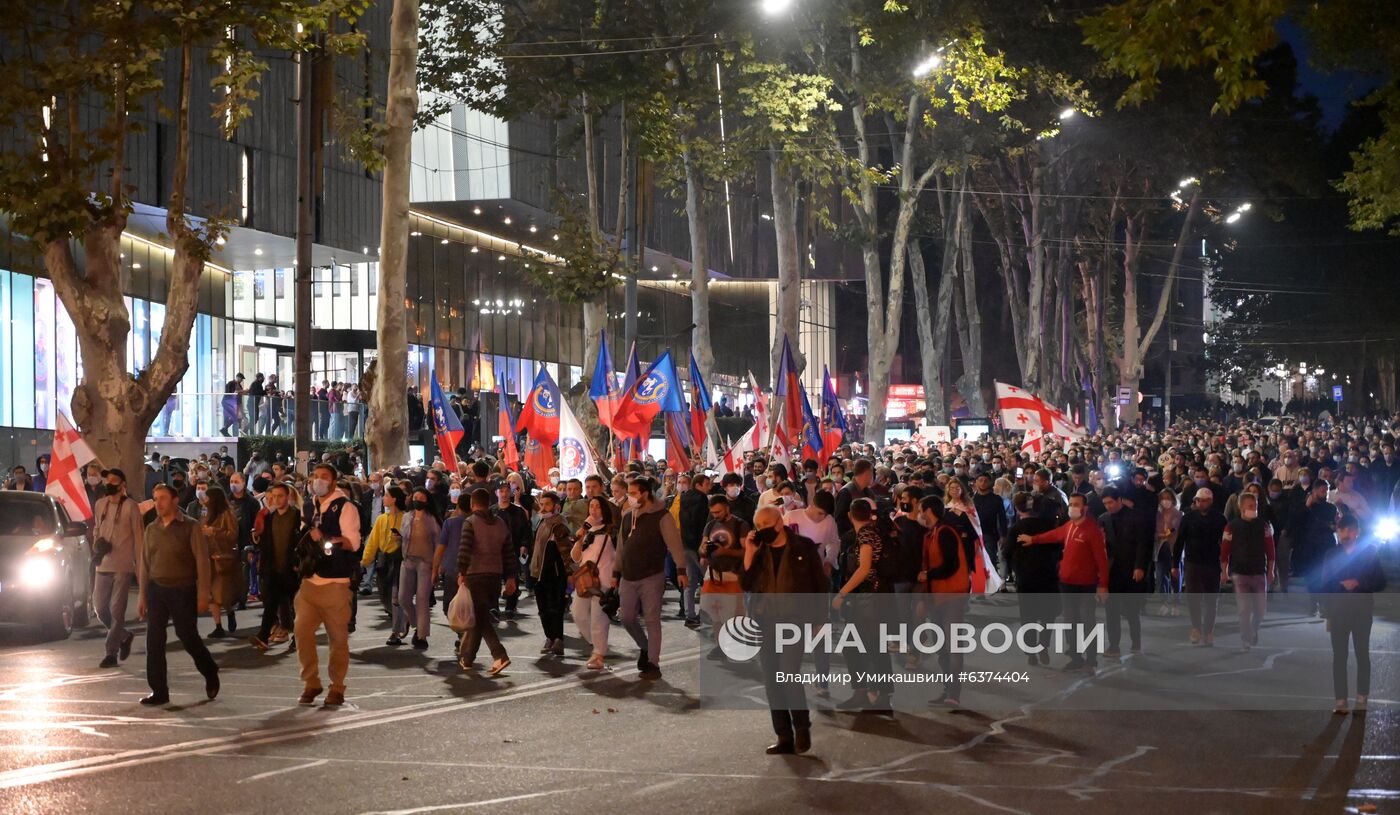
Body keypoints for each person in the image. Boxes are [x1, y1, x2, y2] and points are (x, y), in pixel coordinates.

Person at [742, 505, 828, 755]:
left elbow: (819, 584)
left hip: (795, 620)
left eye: (766, 526)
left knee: (788, 673)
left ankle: (802, 728)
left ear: (779, 523)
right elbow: (746, 583)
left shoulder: (804, 547)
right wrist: (749, 552)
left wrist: (820, 619)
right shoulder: (759, 551)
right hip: (765, 620)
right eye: (758, 527)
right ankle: (783, 735)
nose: (761, 531)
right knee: (771, 679)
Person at [138, 484, 220, 706]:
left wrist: (204, 594)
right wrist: (142, 595)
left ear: (175, 501)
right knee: (154, 641)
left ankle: (210, 670)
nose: (158, 503)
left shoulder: (190, 527)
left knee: (188, 636)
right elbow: (145, 563)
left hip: (182, 590)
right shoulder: (151, 529)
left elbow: (202, 562)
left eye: (163, 498)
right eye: (155, 499)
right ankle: (159, 691)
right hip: (157, 589)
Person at [295, 463, 362, 707]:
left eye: (324, 477)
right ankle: (311, 682)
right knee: (302, 633)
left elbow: (352, 542)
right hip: (310, 582)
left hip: (335, 582)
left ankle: (337, 686)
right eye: (315, 476)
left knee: (338, 639)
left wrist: (324, 539)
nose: (318, 481)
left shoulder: (345, 507)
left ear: (333, 482)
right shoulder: (309, 505)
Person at [1019, 493, 1109, 672]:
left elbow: (1102, 560)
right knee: (1070, 621)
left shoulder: (1092, 530)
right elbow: (1054, 535)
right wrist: (1033, 539)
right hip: (1067, 583)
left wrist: (1103, 585)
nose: (1073, 507)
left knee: (1087, 621)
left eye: (1076, 504)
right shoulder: (1070, 526)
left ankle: (1091, 660)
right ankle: (1075, 657)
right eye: (1071, 504)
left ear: (1085, 508)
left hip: (1086, 585)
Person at [613, 476, 688, 679]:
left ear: (645, 494)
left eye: (633, 493)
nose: (630, 496)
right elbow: (621, 548)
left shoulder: (662, 516)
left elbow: (675, 545)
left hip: (652, 576)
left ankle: (653, 663)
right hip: (628, 577)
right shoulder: (628, 516)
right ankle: (645, 647)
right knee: (627, 618)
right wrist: (615, 572)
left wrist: (681, 570)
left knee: (652, 619)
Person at [1321, 513, 1386, 714]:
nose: (1345, 534)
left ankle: (1362, 697)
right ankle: (1340, 700)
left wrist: (1359, 583)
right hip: (1338, 611)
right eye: (1341, 529)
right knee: (1339, 656)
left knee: (1362, 654)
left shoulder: (1370, 553)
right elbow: (1324, 584)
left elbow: (1380, 582)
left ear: (1357, 532)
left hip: (1361, 611)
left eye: (1349, 529)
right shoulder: (1331, 554)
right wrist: (1327, 613)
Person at [917, 495, 975, 706]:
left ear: (929, 511)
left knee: (952, 646)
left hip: (951, 597)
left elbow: (951, 564)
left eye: (921, 509)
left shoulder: (945, 532)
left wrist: (928, 574)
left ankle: (954, 694)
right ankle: (947, 688)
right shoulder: (931, 534)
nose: (919, 514)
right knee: (941, 646)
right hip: (936, 597)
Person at [457, 487, 516, 676]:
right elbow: (509, 553)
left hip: (476, 574)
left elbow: (465, 549)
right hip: (495, 576)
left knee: (481, 619)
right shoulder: (500, 523)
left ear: (473, 504)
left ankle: (500, 654)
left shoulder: (471, 522)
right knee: (479, 616)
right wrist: (511, 577)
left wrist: (461, 572)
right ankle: (467, 658)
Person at [92, 468, 144, 668]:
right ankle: (124, 636)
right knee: (100, 608)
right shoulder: (100, 505)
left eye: (114, 480)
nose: (109, 483)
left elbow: (139, 538)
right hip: (103, 563)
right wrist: (97, 544)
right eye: (108, 480)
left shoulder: (131, 507)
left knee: (116, 610)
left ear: (123, 484)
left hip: (123, 564)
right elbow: (97, 528)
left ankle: (110, 652)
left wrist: (140, 568)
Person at [1001, 492, 1058, 666]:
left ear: (1018, 509)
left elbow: (1007, 553)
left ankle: (1031, 651)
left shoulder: (1016, 528)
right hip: (1048, 574)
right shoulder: (1049, 525)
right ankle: (1044, 645)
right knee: (1048, 614)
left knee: (1028, 615)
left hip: (1026, 576)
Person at [1173, 487, 1229, 646]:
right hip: (1192, 563)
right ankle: (1196, 628)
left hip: (1212, 563)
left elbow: (1225, 544)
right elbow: (1179, 542)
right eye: (1198, 500)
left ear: (1210, 501)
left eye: (1204, 500)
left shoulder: (1220, 519)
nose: (1200, 503)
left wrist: (1225, 567)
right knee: (1193, 598)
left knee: (1211, 600)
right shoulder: (1188, 518)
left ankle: (1209, 630)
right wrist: (1175, 565)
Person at [249, 482, 301, 652]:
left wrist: (299, 564)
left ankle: (298, 637)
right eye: (274, 496)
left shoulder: (297, 517)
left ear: (288, 497)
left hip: (292, 569)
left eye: (281, 496)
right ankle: (263, 636)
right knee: (270, 604)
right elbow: (263, 542)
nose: (277, 500)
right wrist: (256, 539)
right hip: (273, 569)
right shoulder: (269, 518)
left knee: (297, 606)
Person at [1221, 491, 1276, 651]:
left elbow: (1270, 549)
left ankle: (1254, 629)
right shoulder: (1231, 526)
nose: (1254, 508)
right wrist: (1224, 571)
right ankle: (1246, 638)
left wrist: (1271, 570)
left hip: (1259, 571)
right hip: (1239, 573)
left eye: (1256, 506)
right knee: (1244, 609)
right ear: (1241, 507)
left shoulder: (1264, 526)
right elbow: (1225, 551)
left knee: (1260, 609)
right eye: (1250, 506)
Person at [1100, 487, 1151, 657]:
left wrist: (1140, 567)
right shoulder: (1103, 519)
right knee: (1111, 611)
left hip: (1131, 570)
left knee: (1131, 610)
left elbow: (1143, 544)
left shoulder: (1136, 517)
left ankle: (1136, 642)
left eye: (1111, 502)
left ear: (1119, 499)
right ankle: (1114, 646)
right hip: (1111, 571)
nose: (1108, 506)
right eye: (1105, 503)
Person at [699, 494, 751, 659]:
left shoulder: (740, 525)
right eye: (713, 512)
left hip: (733, 575)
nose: (716, 515)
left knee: (734, 614)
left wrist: (726, 551)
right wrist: (704, 552)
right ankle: (720, 646)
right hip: (714, 575)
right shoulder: (710, 525)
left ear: (727, 507)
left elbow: (747, 550)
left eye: (719, 511)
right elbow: (701, 547)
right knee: (716, 614)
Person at [389, 488, 441, 649]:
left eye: (421, 498)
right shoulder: (407, 516)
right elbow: (405, 537)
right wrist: (399, 538)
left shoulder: (431, 520)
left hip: (426, 562)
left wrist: (437, 567)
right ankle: (415, 623)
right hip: (408, 560)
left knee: (422, 599)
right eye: (415, 497)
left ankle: (422, 635)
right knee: (403, 597)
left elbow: (439, 543)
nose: (417, 500)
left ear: (426, 501)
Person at [570, 496, 616, 670]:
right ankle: (596, 643)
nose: (594, 510)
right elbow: (575, 557)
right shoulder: (587, 532)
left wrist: (616, 578)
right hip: (585, 580)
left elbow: (619, 555)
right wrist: (580, 536)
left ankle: (599, 654)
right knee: (578, 613)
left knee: (599, 618)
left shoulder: (611, 531)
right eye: (591, 506)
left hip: (603, 580)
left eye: (597, 506)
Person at [530, 491, 574, 656]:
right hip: (538, 572)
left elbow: (566, 553)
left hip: (553, 575)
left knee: (555, 608)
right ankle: (549, 637)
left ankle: (558, 640)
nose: (543, 507)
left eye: (547, 504)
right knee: (543, 609)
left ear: (556, 506)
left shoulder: (558, 525)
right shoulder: (543, 521)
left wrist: (570, 574)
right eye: (542, 504)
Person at [201, 486, 241, 638]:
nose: (205, 501)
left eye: (208, 498)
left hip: (222, 558)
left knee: (221, 594)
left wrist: (215, 532)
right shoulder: (206, 513)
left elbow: (232, 534)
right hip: (208, 557)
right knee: (211, 594)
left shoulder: (227, 514)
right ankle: (218, 625)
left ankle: (230, 612)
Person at [362, 485, 406, 619]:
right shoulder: (381, 519)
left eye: (387, 495)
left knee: (397, 589)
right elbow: (373, 541)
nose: (383, 498)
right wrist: (365, 560)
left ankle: (398, 616)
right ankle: (391, 609)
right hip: (383, 558)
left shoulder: (406, 518)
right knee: (384, 589)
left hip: (399, 558)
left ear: (394, 499)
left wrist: (402, 540)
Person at [677, 473, 712, 628]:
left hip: (684, 544)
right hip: (698, 546)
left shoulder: (683, 498)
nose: (709, 487)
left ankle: (689, 615)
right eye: (707, 484)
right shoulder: (702, 499)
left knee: (690, 582)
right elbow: (701, 524)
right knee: (709, 580)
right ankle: (706, 613)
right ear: (698, 485)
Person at [491, 481, 530, 619]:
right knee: (494, 580)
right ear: (496, 493)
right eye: (501, 491)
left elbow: (526, 530)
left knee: (512, 578)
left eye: (507, 491)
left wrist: (524, 545)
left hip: (512, 550)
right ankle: (493, 607)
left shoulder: (518, 511)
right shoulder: (491, 511)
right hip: (494, 552)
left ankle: (510, 606)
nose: (504, 494)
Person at [1154, 489, 1184, 616]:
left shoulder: (1179, 514)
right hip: (1161, 549)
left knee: (1176, 577)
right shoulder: (1157, 515)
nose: (1165, 500)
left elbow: (1174, 529)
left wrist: (1165, 533)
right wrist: (1159, 535)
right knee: (1161, 577)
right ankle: (1164, 603)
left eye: (1168, 497)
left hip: (1174, 550)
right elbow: (1154, 532)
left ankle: (1176, 603)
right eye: (1163, 498)